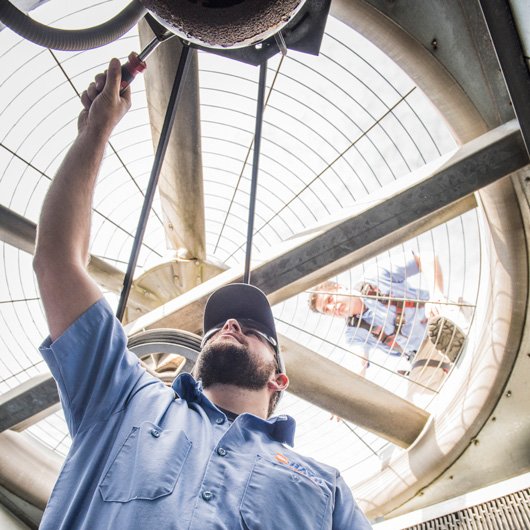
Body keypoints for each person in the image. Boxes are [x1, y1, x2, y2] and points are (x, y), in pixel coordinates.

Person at [33, 58, 372, 529]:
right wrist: (95, 132)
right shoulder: (125, 396)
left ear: (279, 380)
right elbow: (57, 261)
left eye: (252, 329)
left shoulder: (326, 488)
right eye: (220, 326)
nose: (231, 324)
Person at [308, 254, 465, 378]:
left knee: (460, 326)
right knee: (418, 399)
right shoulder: (354, 334)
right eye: (327, 310)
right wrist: (346, 394)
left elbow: (425, 258)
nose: (332, 307)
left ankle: (462, 338)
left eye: (329, 299)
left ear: (339, 287)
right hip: (422, 352)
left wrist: (436, 295)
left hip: (440, 316)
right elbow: (358, 364)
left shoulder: (375, 275)